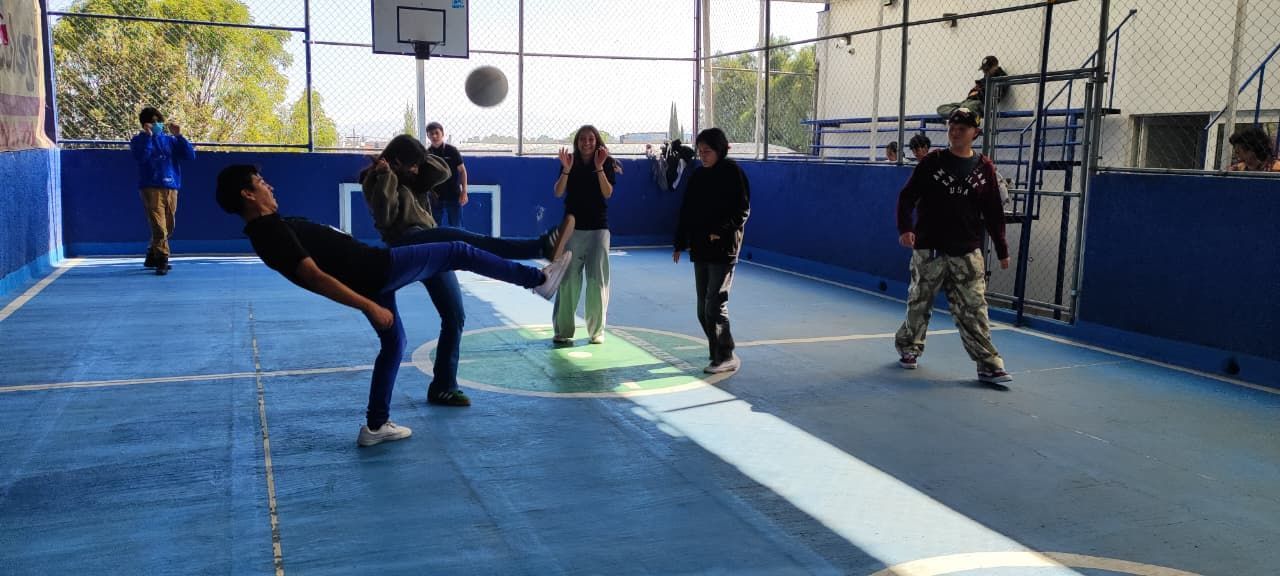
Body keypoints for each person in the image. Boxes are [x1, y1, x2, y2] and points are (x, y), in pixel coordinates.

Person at [215, 165, 571, 447]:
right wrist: (367, 307)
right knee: (458, 250)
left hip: (370, 274)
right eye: (260, 182)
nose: (269, 186)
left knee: (394, 343)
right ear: (248, 194)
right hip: (377, 270)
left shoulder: (271, 228)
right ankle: (537, 279)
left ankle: (376, 425)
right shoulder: (269, 233)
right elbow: (313, 277)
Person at [360, 134, 572, 407]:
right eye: (412, 164)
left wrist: (423, 158)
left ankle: (443, 387)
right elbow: (386, 216)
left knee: (454, 315)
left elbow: (444, 172)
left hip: (431, 244)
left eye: (417, 164)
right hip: (408, 242)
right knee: (466, 241)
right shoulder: (374, 179)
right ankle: (540, 247)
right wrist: (387, 176)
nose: (415, 169)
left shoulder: (415, 175)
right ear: (397, 161)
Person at [894, 107, 1013, 385]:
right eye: (952, 127)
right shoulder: (932, 162)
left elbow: (993, 212)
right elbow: (907, 197)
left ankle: (988, 364)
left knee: (975, 308)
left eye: (962, 128)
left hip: (967, 251)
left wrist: (1002, 249)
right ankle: (909, 346)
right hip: (930, 248)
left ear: (975, 133)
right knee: (920, 301)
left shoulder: (984, 168)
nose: (955, 132)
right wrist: (906, 228)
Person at [673, 128, 751, 374]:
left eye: (707, 151)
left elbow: (742, 210)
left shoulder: (732, 173)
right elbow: (687, 210)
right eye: (700, 151)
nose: (703, 156)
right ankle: (717, 349)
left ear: (720, 150)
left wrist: (721, 231)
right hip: (701, 248)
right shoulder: (698, 176)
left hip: (723, 249)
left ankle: (725, 355)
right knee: (702, 309)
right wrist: (679, 241)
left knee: (714, 304)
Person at [552, 125, 616, 345]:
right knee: (568, 280)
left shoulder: (606, 162)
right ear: (577, 142)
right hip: (572, 229)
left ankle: (596, 331)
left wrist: (599, 167)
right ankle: (563, 330)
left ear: (596, 141)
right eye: (582, 139)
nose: (586, 143)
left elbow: (607, 193)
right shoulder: (569, 161)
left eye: (590, 139)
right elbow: (558, 192)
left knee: (597, 280)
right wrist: (566, 169)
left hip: (598, 229)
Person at [130, 107, 195, 275]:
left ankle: (151, 253)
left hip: (171, 186)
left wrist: (179, 136)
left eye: (159, 121)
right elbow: (141, 157)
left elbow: (190, 155)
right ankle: (162, 259)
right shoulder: (138, 140)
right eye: (153, 121)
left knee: (169, 225)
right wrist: (148, 138)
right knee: (159, 225)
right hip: (150, 187)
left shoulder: (170, 141)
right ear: (145, 124)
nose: (157, 124)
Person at [425, 122, 468, 228]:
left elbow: (462, 171)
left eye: (437, 133)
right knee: (434, 228)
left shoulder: (452, 151)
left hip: (453, 196)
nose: (434, 136)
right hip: (435, 198)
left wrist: (464, 191)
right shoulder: (427, 154)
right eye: (431, 134)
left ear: (442, 134)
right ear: (428, 136)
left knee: (457, 227)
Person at [937, 55, 1008, 118]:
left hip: (980, 104)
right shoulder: (984, 80)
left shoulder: (1001, 79)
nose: (984, 72)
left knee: (968, 108)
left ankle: (961, 113)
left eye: (987, 69)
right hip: (968, 102)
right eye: (984, 70)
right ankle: (959, 112)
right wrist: (975, 92)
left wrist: (978, 92)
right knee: (941, 108)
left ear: (995, 67)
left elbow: (996, 96)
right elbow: (972, 93)